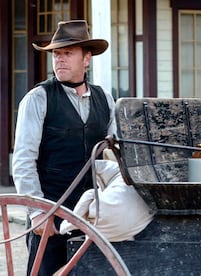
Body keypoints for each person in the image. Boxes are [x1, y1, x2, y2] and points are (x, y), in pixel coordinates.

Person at [12, 20, 116, 275]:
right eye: (56, 54)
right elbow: (23, 159)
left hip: (91, 215)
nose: (59, 60)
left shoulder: (105, 99)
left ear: (86, 58)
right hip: (51, 213)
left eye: (67, 53)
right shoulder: (38, 99)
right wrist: (38, 213)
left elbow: (115, 156)